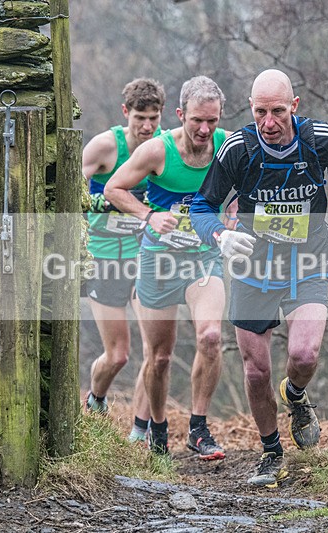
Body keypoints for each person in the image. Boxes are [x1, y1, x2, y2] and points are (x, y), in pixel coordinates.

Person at [190, 68, 328, 486]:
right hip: (252, 266)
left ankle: (296, 395)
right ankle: (270, 452)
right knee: (256, 370)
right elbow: (201, 206)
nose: (269, 123)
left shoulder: (321, 139)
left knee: (304, 356)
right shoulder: (237, 149)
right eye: (260, 112)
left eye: (278, 111)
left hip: (307, 260)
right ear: (250, 108)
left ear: (294, 107)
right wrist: (220, 238)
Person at [104, 75, 229, 460]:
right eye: (196, 121)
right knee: (158, 358)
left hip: (203, 259)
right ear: (180, 115)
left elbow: (244, 188)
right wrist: (148, 216)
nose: (205, 129)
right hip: (158, 261)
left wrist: (235, 215)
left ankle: (198, 429)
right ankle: (158, 431)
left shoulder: (227, 147)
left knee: (210, 337)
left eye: (212, 120)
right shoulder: (159, 150)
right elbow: (114, 188)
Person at [82, 78, 166, 443]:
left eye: (153, 118)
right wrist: (100, 201)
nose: (147, 127)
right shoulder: (105, 146)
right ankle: (95, 399)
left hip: (144, 256)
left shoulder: (163, 149)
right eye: (140, 118)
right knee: (118, 356)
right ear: (125, 114)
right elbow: (64, 187)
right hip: (103, 257)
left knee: (155, 351)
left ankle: (139, 430)